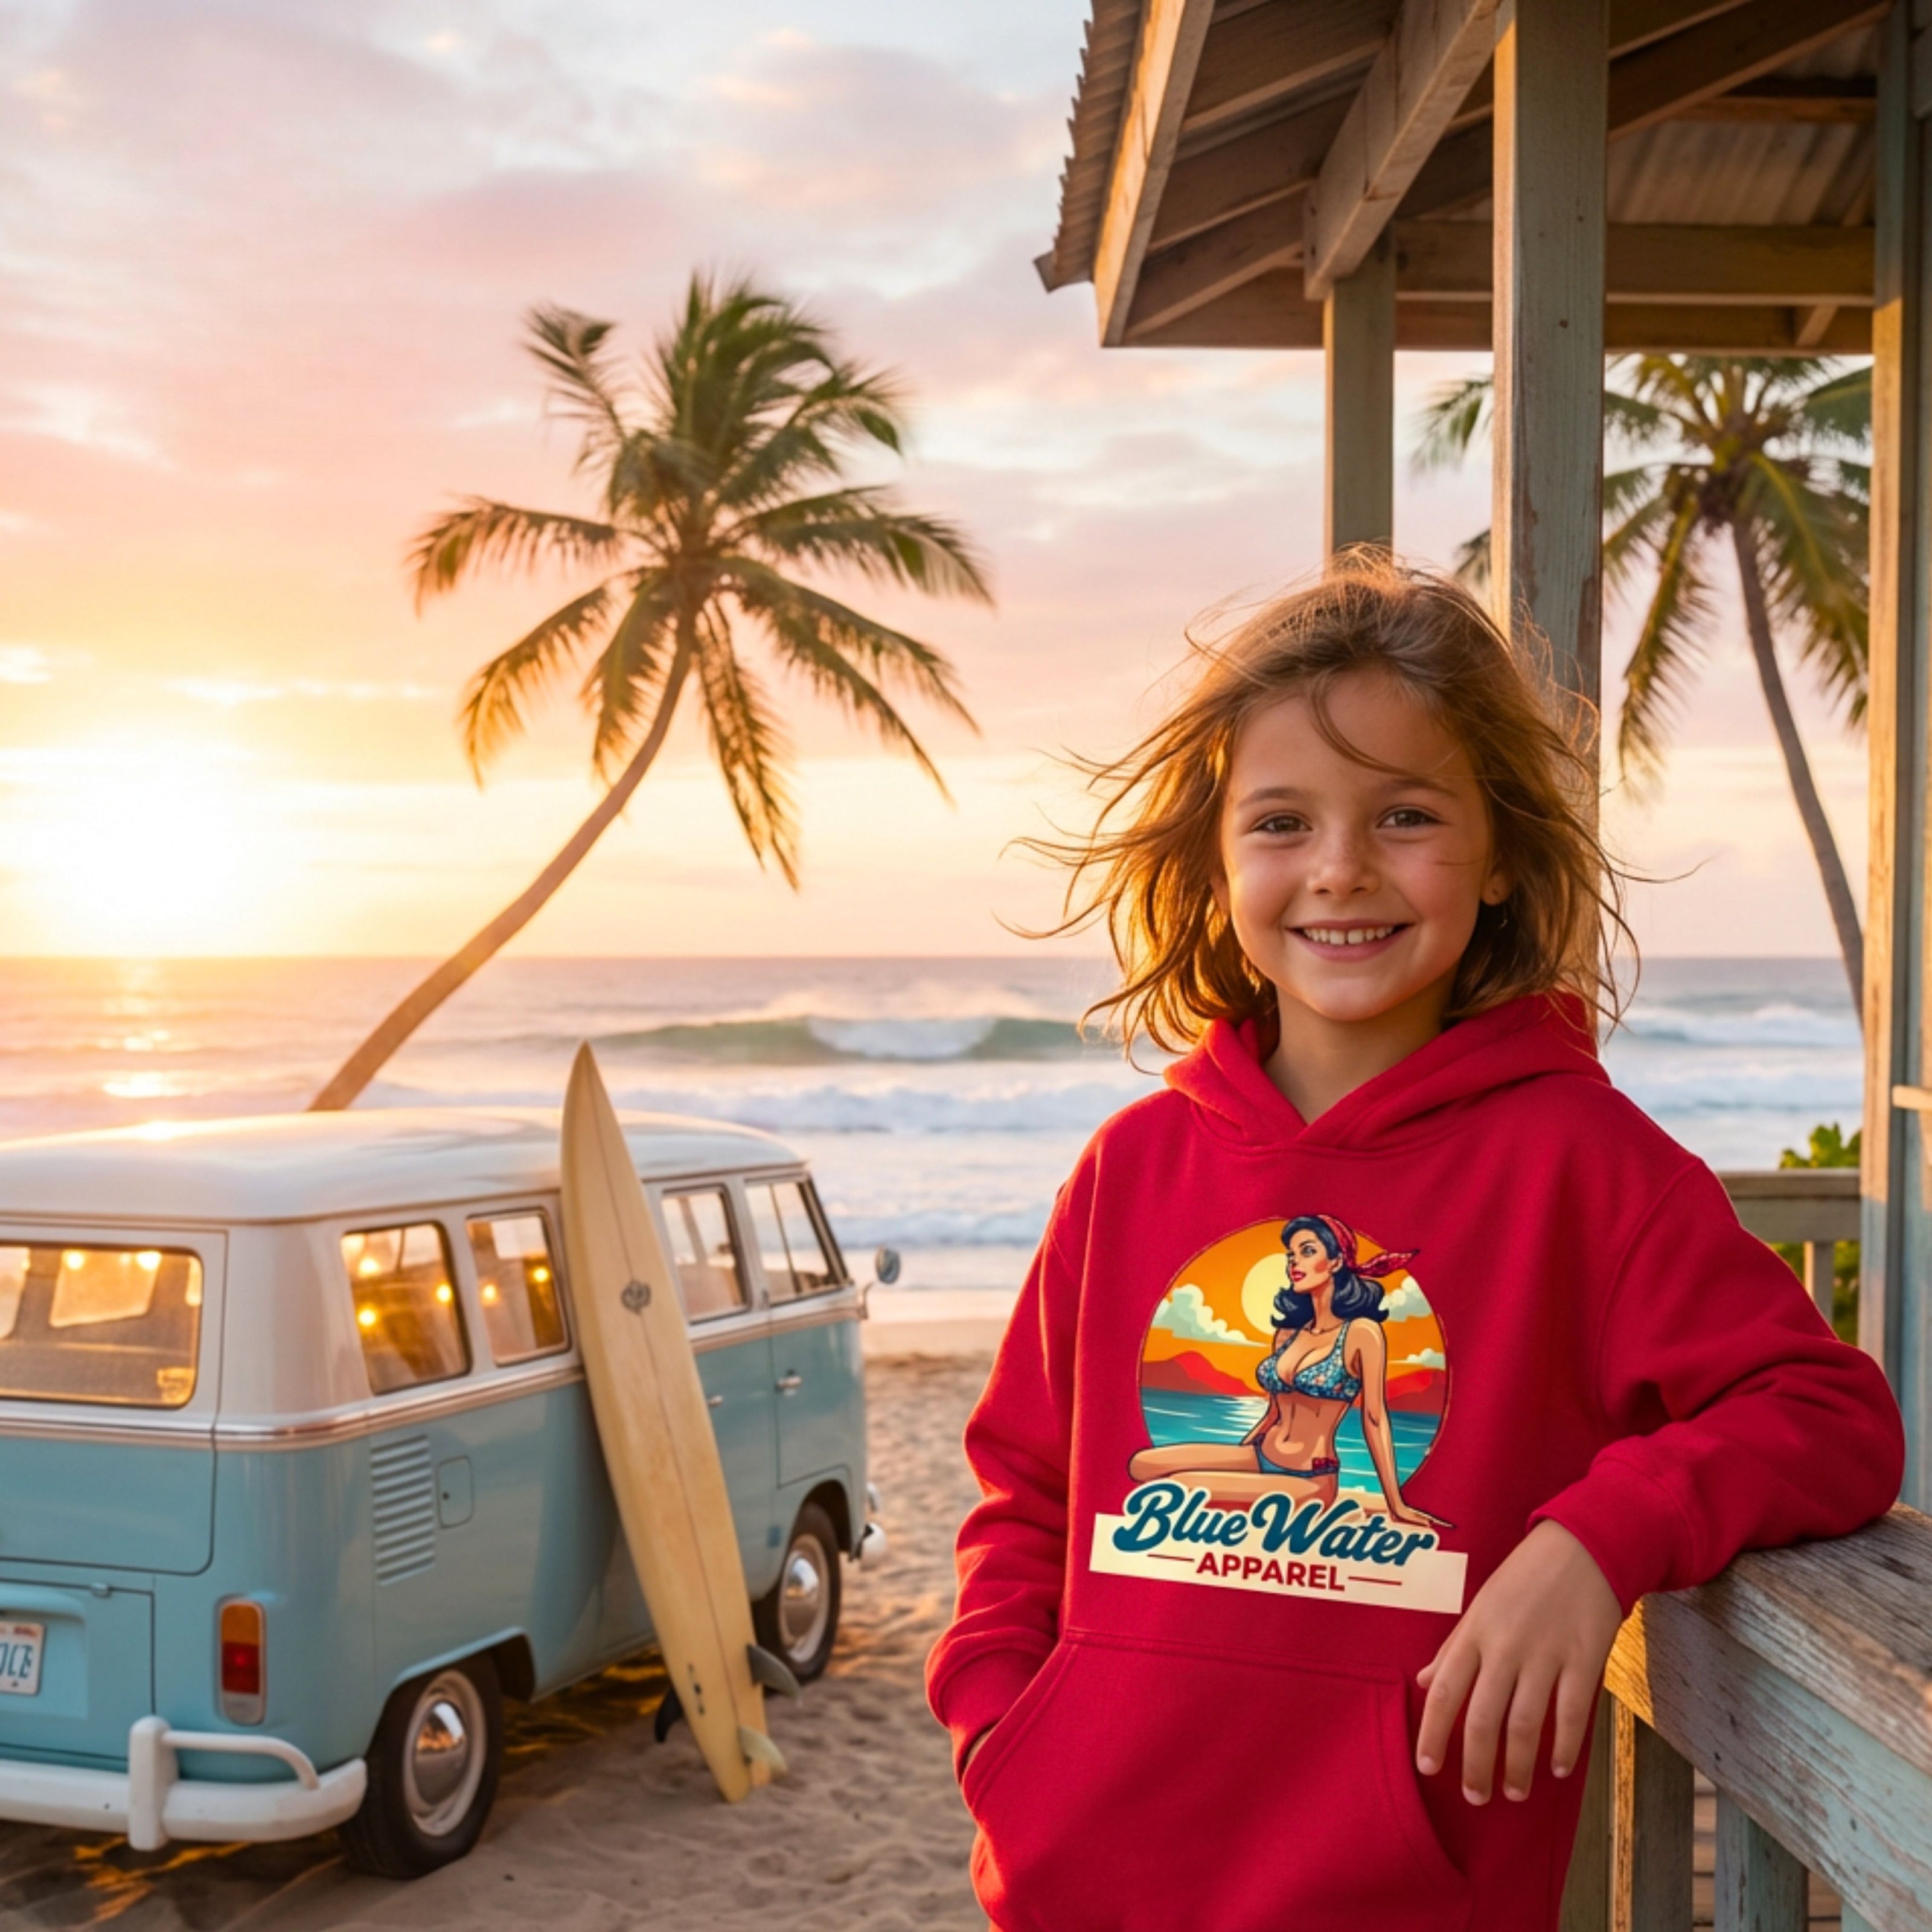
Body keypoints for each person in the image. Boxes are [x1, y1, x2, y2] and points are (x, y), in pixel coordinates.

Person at [924, 555, 1902, 1932]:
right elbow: (1023, 1491)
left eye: (1403, 815)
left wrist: (1591, 1543)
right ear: (1217, 856)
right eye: (1280, 821)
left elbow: (1826, 1414)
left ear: (1498, 852)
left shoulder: (1587, 1174)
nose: (1338, 870)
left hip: (1396, 1895)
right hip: (1079, 1880)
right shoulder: (1131, 1168)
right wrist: (1003, 1731)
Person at [1129, 1213, 1443, 1530]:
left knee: (1177, 1488)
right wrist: (1237, 1464)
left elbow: (1374, 1418)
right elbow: (1273, 1414)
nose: (1295, 1262)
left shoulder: (1362, 1333)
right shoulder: (1287, 1334)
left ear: (1335, 1262)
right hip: (1260, 1455)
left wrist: (1396, 1504)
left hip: (1309, 1477)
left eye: (1307, 1251)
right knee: (1141, 1465)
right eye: (1291, 1255)